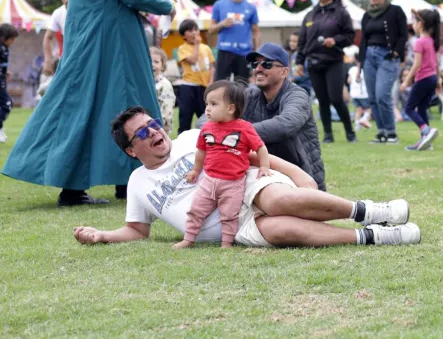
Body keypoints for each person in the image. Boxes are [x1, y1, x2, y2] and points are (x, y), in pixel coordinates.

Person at [2, 0, 175, 206]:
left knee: (106, 108)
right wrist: (163, 4)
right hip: (109, 47)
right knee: (112, 107)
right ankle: (86, 187)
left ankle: (125, 180)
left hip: (105, 44)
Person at [74, 106, 421, 248]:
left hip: (249, 185)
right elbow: (137, 230)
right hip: (234, 228)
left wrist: (298, 173)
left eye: (152, 124)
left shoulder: (190, 138)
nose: (153, 132)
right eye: (141, 133)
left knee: (276, 201)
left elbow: (253, 153)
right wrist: (102, 235)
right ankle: (374, 236)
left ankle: (374, 211)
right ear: (131, 151)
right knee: (281, 230)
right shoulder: (138, 184)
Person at [173, 80, 271, 249]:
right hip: (209, 180)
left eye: (213, 104)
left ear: (231, 108)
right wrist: (196, 170)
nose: (207, 108)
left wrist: (264, 167)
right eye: (206, 104)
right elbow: (201, 151)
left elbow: (260, 148)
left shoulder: (244, 128)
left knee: (229, 215)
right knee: (196, 210)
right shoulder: (206, 128)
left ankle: (226, 243)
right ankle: (188, 239)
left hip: (233, 183)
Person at [243, 42, 326, 191]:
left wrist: (235, 132)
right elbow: (213, 114)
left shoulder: (297, 95)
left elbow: (284, 126)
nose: (258, 69)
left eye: (267, 64)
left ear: (284, 72)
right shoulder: (250, 95)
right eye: (255, 64)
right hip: (266, 174)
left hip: (302, 178)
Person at [295, 0, 356, 143]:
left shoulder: (341, 13)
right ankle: (328, 135)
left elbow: (350, 36)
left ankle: (350, 132)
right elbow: (302, 41)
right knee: (322, 100)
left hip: (333, 61)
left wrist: (335, 40)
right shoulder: (310, 14)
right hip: (313, 62)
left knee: (336, 98)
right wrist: (299, 62)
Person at [358, 0, 408, 145]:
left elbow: (403, 35)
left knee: (382, 95)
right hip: (368, 58)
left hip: (386, 56)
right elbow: (363, 40)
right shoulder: (366, 15)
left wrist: (396, 52)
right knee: (372, 97)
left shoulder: (395, 11)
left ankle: (391, 132)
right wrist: (359, 65)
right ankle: (381, 132)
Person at [400, 9, 440, 151]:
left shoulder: (419, 41)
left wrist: (406, 81)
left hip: (423, 79)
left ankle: (425, 130)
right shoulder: (431, 41)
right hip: (432, 79)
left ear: (420, 24)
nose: (413, 25)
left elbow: (417, 64)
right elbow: (437, 62)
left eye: (414, 21)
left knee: (409, 108)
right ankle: (426, 142)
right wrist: (438, 80)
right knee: (422, 109)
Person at [210, 0, 260, 81]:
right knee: (221, 86)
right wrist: (221, 24)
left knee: (242, 87)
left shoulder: (251, 7)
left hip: (244, 53)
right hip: (225, 51)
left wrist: (257, 53)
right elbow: (211, 30)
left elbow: (256, 32)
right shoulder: (219, 4)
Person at [177, 19, 215, 134]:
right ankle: (182, 140)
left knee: (205, 116)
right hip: (188, 87)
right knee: (185, 117)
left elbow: (212, 67)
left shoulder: (206, 48)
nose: (194, 33)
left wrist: (211, 82)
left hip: (203, 87)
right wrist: (197, 45)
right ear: (184, 36)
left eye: (195, 29)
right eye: (189, 30)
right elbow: (193, 60)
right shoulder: (182, 49)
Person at [42, 0, 69, 76]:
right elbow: (48, 37)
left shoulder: (87, 10)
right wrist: (48, 60)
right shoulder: (58, 13)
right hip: (67, 58)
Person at [0, 24, 19, 143]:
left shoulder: (5, 48)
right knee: (7, 104)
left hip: (2, 79)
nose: (13, 42)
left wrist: (6, 72)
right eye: (11, 39)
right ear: (3, 37)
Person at [150, 47, 176, 135]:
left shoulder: (164, 85)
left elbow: (167, 112)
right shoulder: (145, 83)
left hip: (159, 129)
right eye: (149, 60)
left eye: (156, 62)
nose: (152, 64)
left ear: (163, 66)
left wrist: (162, 128)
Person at [347, 54, 371, 130]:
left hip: (354, 94)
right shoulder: (366, 70)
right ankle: (363, 119)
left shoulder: (352, 69)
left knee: (358, 110)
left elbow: (349, 81)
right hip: (363, 94)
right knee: (369, 109)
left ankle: (357, 126)